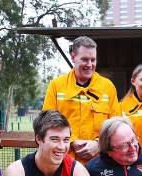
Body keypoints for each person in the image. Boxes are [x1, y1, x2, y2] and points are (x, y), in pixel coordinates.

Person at [43, 36, 121, 164]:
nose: (90, 65)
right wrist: (71, 141)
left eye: (93, 60)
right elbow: (46, 122)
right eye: (85, 59)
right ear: (73, 57)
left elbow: (116, 125)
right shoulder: (57, 86)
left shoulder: (108, 87)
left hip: (100, 162)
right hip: (64, 161)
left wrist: (98, 144)